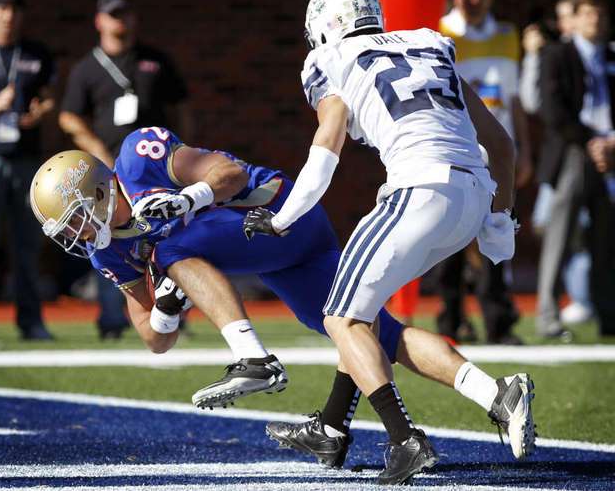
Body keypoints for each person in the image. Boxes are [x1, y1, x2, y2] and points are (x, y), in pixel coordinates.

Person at [30, 126, 534, 464]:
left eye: (73, 216)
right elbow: (153, 339)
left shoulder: (139, 161)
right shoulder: (107, 254)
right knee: (367, 333)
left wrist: (187, 197)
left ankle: (252, 359)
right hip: (276, 257)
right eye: (64, 228)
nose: (74, 233)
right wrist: (164, 307)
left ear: (97, 189)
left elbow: (227, 172)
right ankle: (497, 394)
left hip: (276, 211)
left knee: (170, 246)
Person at [243, 0, 534, 485]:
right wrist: (498, 220)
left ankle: (404, 439)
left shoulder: (330, 60)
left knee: (341, 319)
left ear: (325, 27)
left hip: (417, 192)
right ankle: (332, 426)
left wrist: (283, 216)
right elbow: (502, 146)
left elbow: (326, 147)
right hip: (470, 196)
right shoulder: (431, 42)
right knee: (363, 311)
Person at [58, 0, 191, 339]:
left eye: (125, 13)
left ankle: (177, 312)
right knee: (106, 239)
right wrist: (96, 149)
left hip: (154, 169)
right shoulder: (88, 68)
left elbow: (180, 106)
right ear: (99, 20)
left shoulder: (154, 60)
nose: (120, 20)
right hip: (109, 173)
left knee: (166, 234)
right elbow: (69, 117)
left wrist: (181, 151)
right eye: (113, 14)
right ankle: (112, 319)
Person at [435, 0, 529, 344]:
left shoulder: (507, 36)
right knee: (449, 243)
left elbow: (516, 99)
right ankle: (452, 319)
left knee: (498, 235)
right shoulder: (438, 32)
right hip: (456, 149)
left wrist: (523, 149)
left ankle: (499, 323)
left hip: (497, 154)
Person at [0, 0, 55, 341]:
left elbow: (50, 97)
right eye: (2, 8)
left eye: (15, 9)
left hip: (27, 160)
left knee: (28, 245)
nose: (8, 15)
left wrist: (40, 112)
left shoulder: (36, 53)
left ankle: (31, 320)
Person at [538, 0, 615, 337]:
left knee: (606, 238)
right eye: (587, 12)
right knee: (560, 235)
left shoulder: (610, 56)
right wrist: (591, 141)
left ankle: (608, 315)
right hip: (573, 151)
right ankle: (549, 316)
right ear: (576, 17)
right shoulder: (557, 54)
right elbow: (552, 109)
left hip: (610, 154)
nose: (594, 19)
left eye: (599, 13)